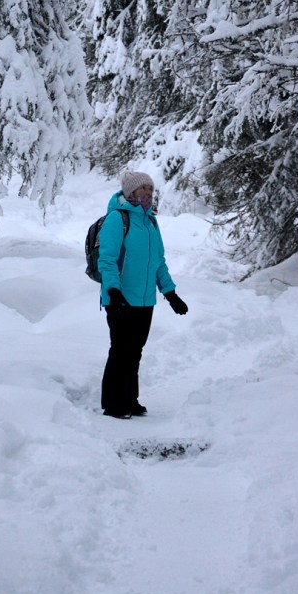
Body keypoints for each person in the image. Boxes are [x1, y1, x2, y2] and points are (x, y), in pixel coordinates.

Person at [98, 170, 188, 419]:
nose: (148, 193)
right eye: (143, 188)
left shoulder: (151, 222)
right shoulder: (117, 218)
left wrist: (170, 293)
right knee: (120, 350)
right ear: (130, 192)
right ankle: (113, 404)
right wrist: (113, 291)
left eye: (150, 189)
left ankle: (130, 399)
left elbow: (158, 262)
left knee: (135, 350)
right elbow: (107, 259)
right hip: (121, 298)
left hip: (145, 300)